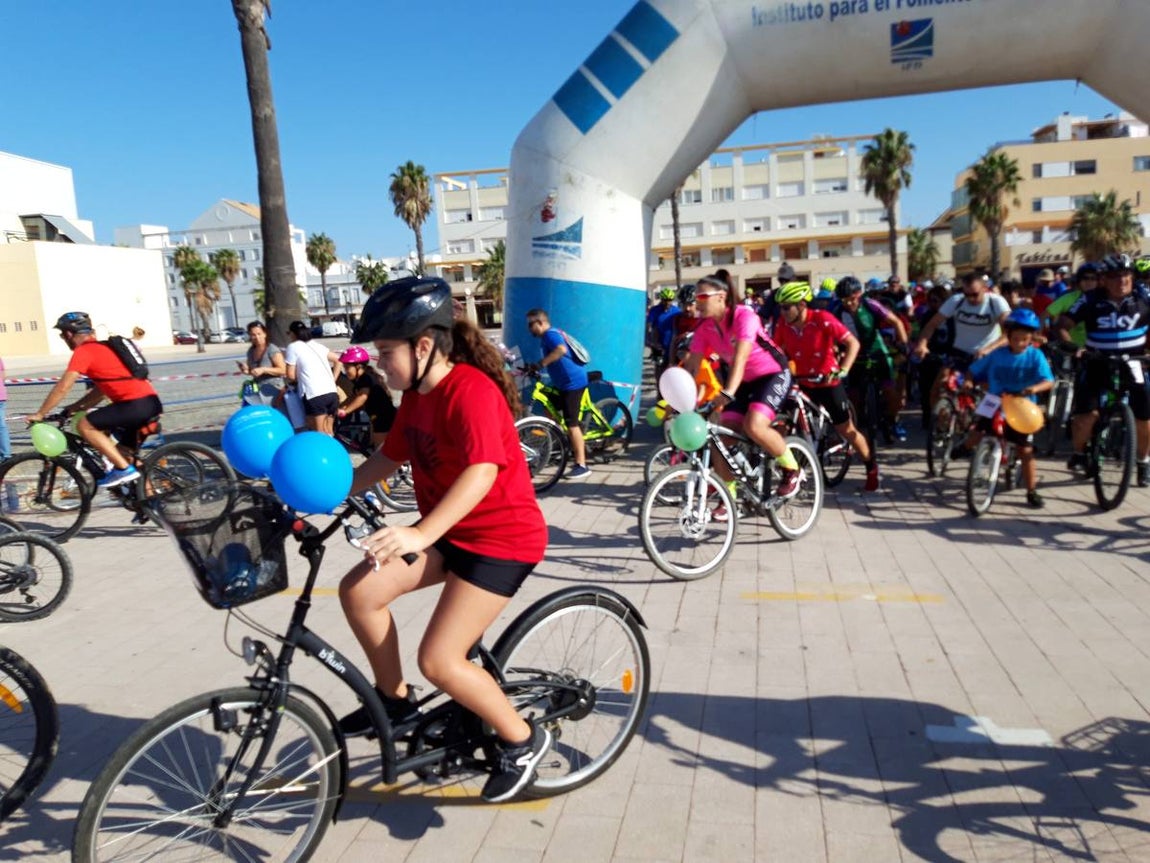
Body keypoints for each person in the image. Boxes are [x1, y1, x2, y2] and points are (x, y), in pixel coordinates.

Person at [338, 276, 551, 803]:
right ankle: (395, 702)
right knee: (360, 592)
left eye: (386, 352)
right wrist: (329, 489)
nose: (379, 364)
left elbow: (482, 471)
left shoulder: (470, 391)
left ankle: (522, 741)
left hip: (501, 541)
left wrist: (419, 532)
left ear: (423, 347)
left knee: (440, 660)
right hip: (452, 533)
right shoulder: (417, 396)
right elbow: (389, 457)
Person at [684, 273, 802, 515]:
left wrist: (728, 392)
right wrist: (680, 400)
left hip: (772, 374)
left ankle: (793, 470)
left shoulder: (744, 316)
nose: (697, 302)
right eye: (696, 297)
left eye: (703, 297)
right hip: (744, 382)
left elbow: (740, 358)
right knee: (720, 438)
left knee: (754, 425)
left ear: (721, 297)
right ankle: (729, 499)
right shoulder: (704, 328)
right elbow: (692, 367)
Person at [27, 312, 163, 487]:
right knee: (123, 454)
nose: (63, 339)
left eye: (62, 335)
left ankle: (123, 470)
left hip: (134, 405)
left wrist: (40, 413)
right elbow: (100, 392)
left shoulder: (84, 351)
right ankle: (149, 500)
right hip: (149, 403)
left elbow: (63, 387)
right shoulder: (104, 348)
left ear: (69, 334)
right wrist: (75, 407)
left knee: (84, 425)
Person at [772, 281, 881, 492]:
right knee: (781, 424)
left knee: (846, 429)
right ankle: (790, 469)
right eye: (780, 308)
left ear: (801, 305)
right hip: (801, 382)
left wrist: (844, 369)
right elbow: (776, 351)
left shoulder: (822, 319)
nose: (782, 312)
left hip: (827, 381)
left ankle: (871, 467)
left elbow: (853, 344)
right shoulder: (784, 325)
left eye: (786, 307)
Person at [1057, 253, 1150, 486]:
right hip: (1098, 361)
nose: (1122, 280)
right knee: (1085, 417)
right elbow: (1064, 325)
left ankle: (1143, 462)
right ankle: (1079, 452)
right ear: (1104, 279)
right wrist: (1074, 347)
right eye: (1115, 276)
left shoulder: (1144, 297)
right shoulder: (1089, 299)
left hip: (1134, 362)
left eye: (1126, 275)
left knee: (1144, 416)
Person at [957, 308, 1054, 508]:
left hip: (1022, 406)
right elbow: (973, 370)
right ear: (1008, 336)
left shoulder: (1036, 356)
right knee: (977, 432)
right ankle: (964, 448)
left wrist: (1034, 388)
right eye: (1015, 338)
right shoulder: (997, 355)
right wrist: (968, 381)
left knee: (1025, 450)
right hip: (994, 399)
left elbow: (1048, 381)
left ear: (1031, 339)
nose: (1019, 343)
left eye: (1024, 339)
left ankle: (1031, 491)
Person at [913, 271, 1011, 409]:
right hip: (959, 353)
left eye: (975, 294)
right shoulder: (956, 301)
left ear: (985, 289)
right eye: (967, 294)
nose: (970, 299)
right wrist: (922, 344)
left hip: (987, 355)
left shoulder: (996, 302)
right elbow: (932, 324)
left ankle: (985, 418)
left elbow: (1009, 333)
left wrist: (988, 349)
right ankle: (940, 420)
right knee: (938, 388)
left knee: (991, 394)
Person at [835, 276, 910, 443]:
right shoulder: (838, 311)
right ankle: (855, 430)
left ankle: (893, 420)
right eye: (844, 300)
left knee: (890, 392)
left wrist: (903, 344)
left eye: (852, 299)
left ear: (859, 294)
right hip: (853, 355)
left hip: (876, 350)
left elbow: (896, 322)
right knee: (853, 396)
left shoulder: (870, 305)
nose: (849, 303)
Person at [525, 309, 593, 479]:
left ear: (540, 323)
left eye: (531, 324)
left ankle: (582, 465)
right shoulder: (546, 337)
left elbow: (561, 349)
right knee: (549, 409)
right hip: (563, 384)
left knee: (572, 424)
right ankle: (559, 444)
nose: (529, 328)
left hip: (573, 384)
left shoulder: (550, 335)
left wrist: (540, 364)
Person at [284, 320, 340, 435]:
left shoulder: (293, 347)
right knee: (329, 432)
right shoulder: (317, 345)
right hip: (331, 392)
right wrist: (333, 379)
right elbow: (338, 360)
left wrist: (300, 378)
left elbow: (290, 375)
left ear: (293, 334)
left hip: (314, 394)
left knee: (319, 433)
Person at [336, 345, 397, 449]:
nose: (345, 371)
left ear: (358, 367)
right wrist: (340, 407)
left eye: (347, 368)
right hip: (375, 417)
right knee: (374, 445)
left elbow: (362, 397)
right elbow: (354, 396)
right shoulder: (361, 379)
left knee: (380, 449)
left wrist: (345, 411)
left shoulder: (366, 378)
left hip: (383, 417)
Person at [237, 320, 287, 405]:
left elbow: (283, 370)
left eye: (259, 334)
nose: (257, 337)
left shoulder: (271, 349)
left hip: (275, 390)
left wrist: (264, 369)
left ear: (265, 334)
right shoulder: (251, 351)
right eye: (253, 335)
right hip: (258, 391)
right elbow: (254, 371)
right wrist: (246, 371)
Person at [0, 354, 9, 461]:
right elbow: (3, 375)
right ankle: (6, 454)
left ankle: (5, 455)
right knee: (2, 426)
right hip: (1, 395)